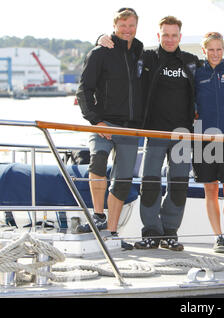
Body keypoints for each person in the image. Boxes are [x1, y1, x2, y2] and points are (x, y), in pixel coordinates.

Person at [97, 16, 224, 251]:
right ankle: (151, 232)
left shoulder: (190, 62)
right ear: (158, 36)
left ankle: (170, 232)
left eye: (174, 35)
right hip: (154, 132)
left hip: (183, 134)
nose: (170, 39)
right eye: (166, 34)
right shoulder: (147, 57)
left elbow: (214, 68)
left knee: (178, 185)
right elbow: (122, 49)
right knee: (150, 183)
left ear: (180, 37)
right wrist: (101, 38)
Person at [75, 8, 144, 250]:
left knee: (123, 180)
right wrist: (96, 121)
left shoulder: (139, 51)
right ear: (115, 26)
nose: (127, 30)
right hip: (103, 123)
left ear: (137, 26)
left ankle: (112, 231)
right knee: (98, 162)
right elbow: (84, 90)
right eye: (123, 25)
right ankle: (98, 215)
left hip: (130, 127)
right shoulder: (100, 52)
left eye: (131, 25)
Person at [193, 32, 224, 253]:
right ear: (204, 51)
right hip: (204, 138)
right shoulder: (196, 74)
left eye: (219, 49)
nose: (215, 53)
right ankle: (218, 236)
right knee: (210, 190)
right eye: (211, 50)